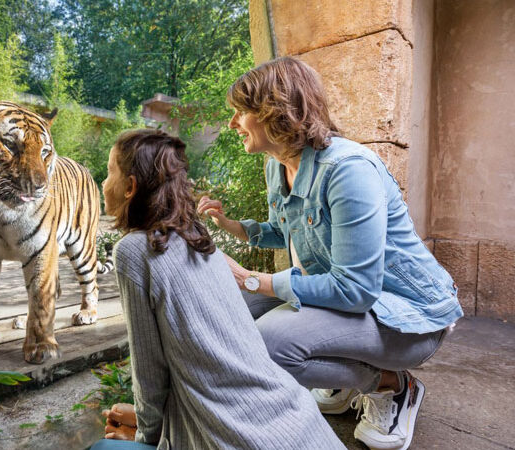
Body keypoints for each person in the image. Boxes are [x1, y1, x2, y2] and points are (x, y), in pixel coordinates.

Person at [196, 57, 462, 450]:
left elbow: (355, 289)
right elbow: (287, 231)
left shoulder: (347, 169)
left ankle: (392, 385)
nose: (233, 123)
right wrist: (233, 227)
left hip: (409, 317)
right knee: (221, 304)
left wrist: (254, 280)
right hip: (356, 305)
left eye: (241, 112)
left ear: (274, 110)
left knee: (272, 341)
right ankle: (340, 375)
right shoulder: (277, 166)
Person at [90, 129, 345, 449]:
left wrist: (147, 439)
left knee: (103, 447)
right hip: (302, 423)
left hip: (237, 439)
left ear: (130, 187)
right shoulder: (198, 238)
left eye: (110, 171)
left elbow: (151, 376)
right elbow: (208, 367)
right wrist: (143, 420)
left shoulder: (135, 251)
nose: (103, 182)